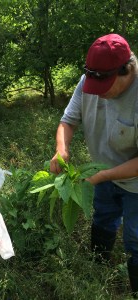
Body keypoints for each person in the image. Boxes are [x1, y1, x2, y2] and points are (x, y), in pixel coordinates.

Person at [50, 33, 138, 298]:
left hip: (133, 181)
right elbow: (68, 121)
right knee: (102, 219)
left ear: (128, 70)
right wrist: (61, 150)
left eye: (108, 85)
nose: (101, 93)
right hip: (101, 172)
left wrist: (102, 176)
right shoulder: (90, 81)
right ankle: (98, 272)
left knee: (135, 237)